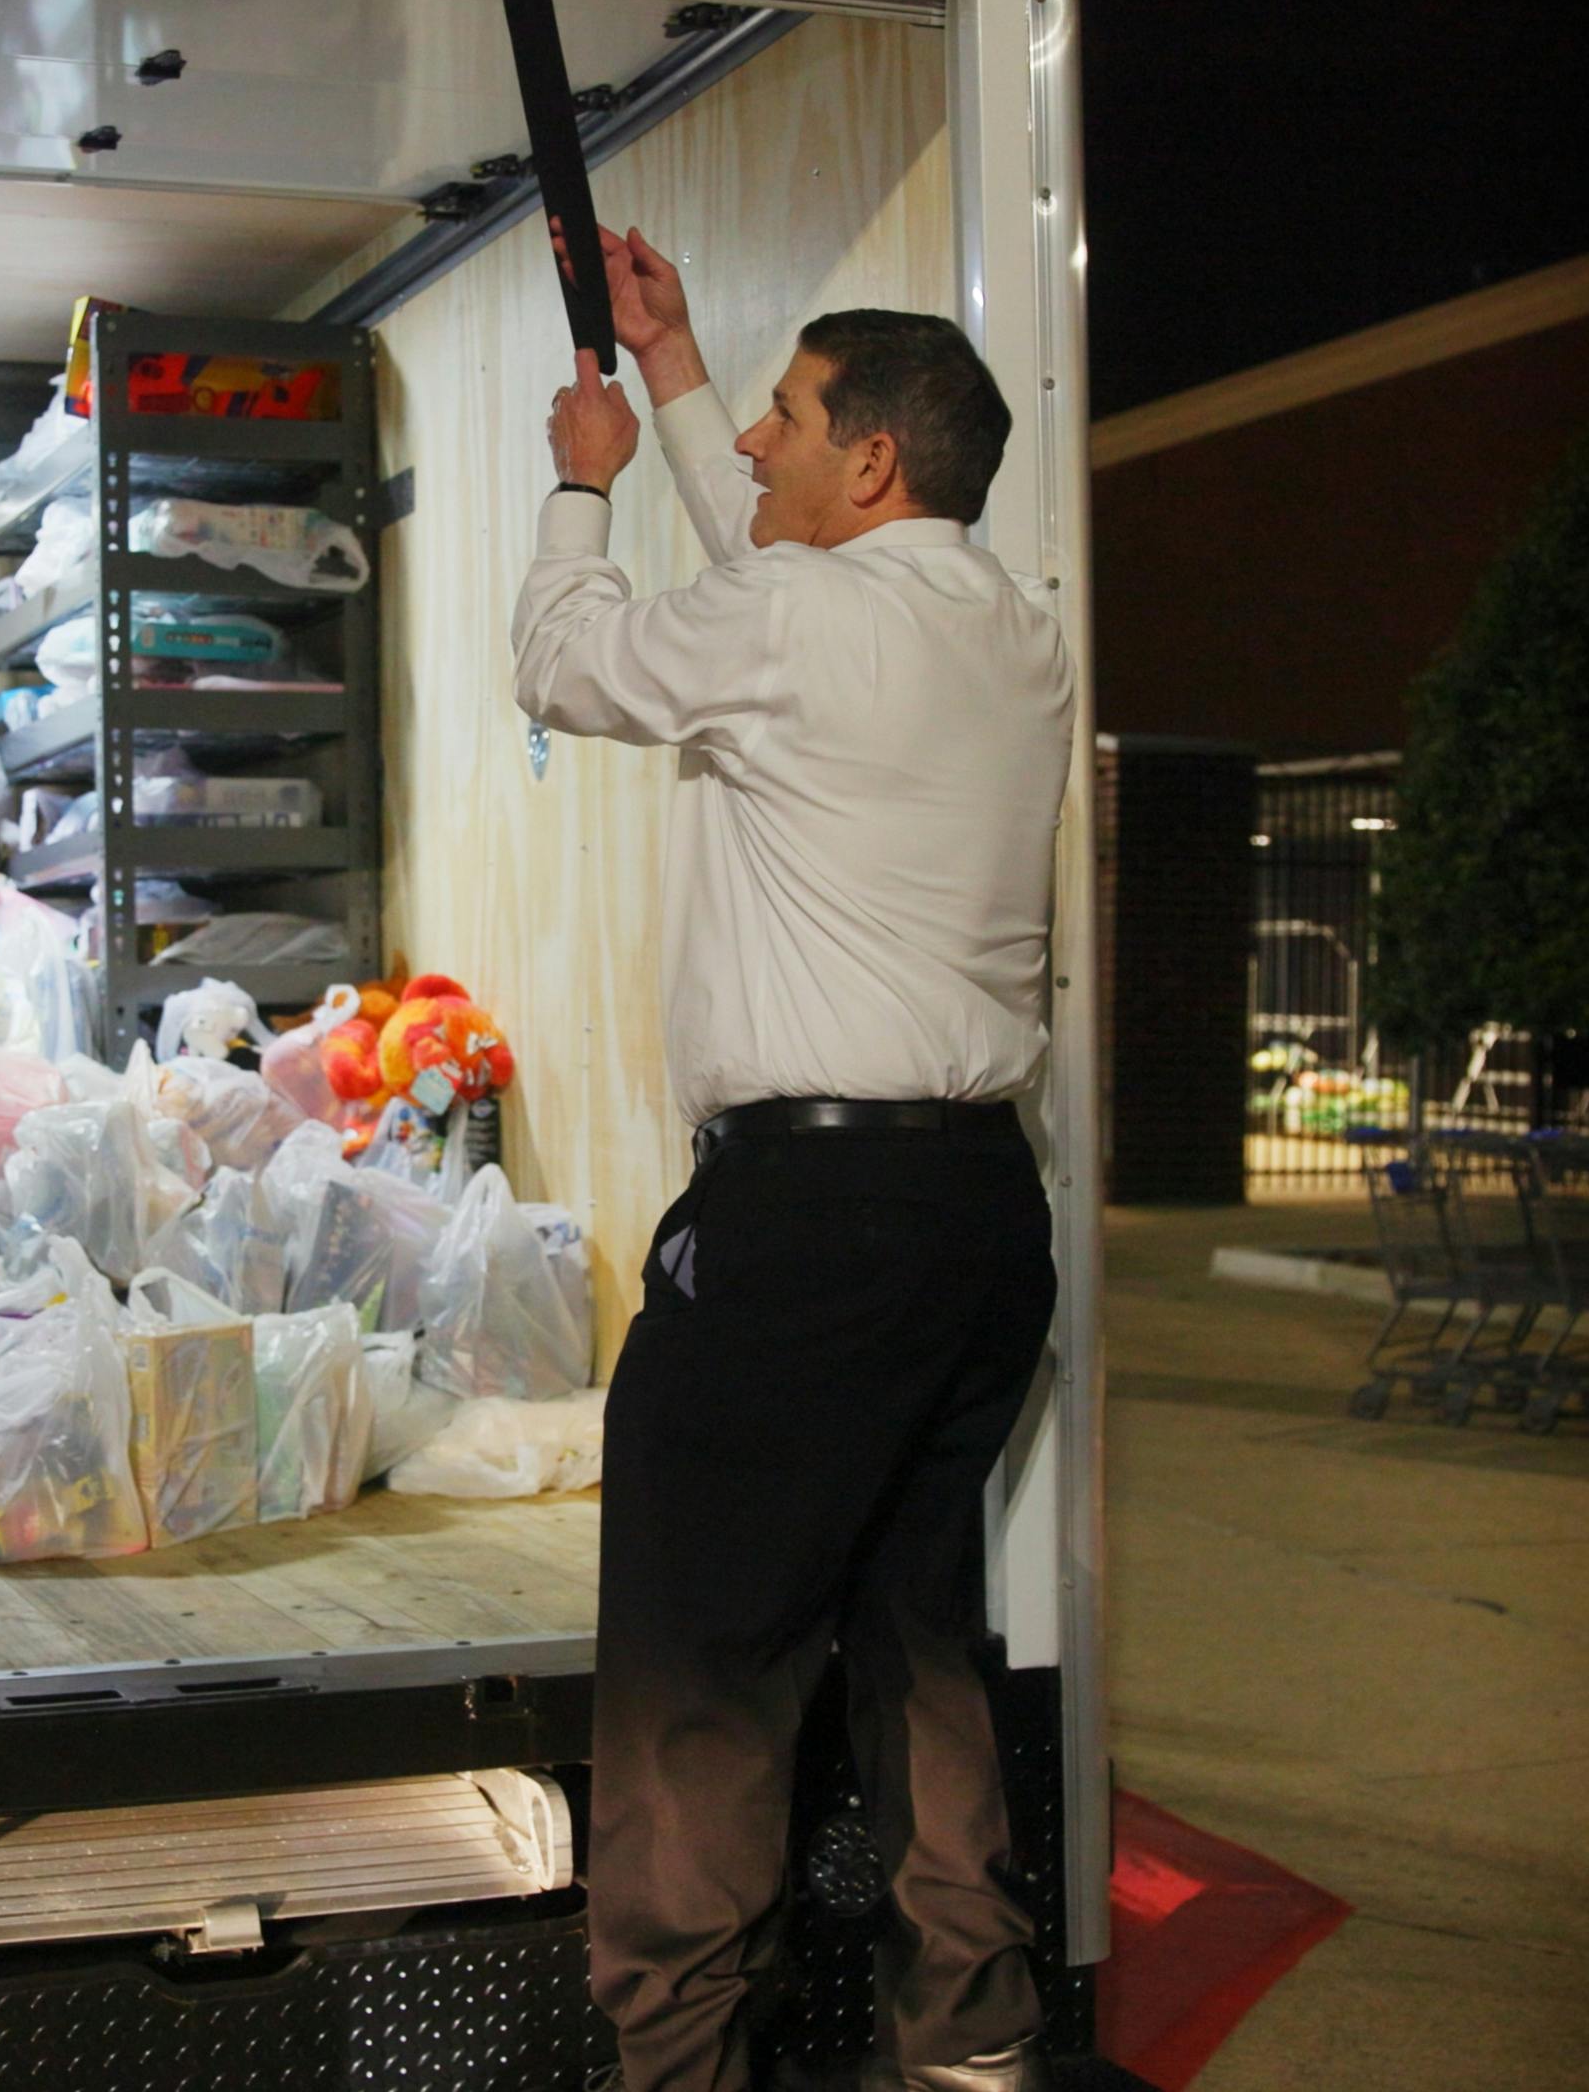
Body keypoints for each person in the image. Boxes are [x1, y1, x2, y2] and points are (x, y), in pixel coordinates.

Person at [514, 225, 1074, 2092]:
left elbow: (565, 665)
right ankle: (974, 2038)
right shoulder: (1010, 628)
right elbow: (777, 584)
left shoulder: (799, 622)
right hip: (979, 1222)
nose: (752, 445)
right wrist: (677, 371)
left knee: (699, 1666)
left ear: (875, 462)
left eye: (782, 417)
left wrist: (582, 484)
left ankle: (677, 2067)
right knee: (919, 1630)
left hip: (803, 1228)